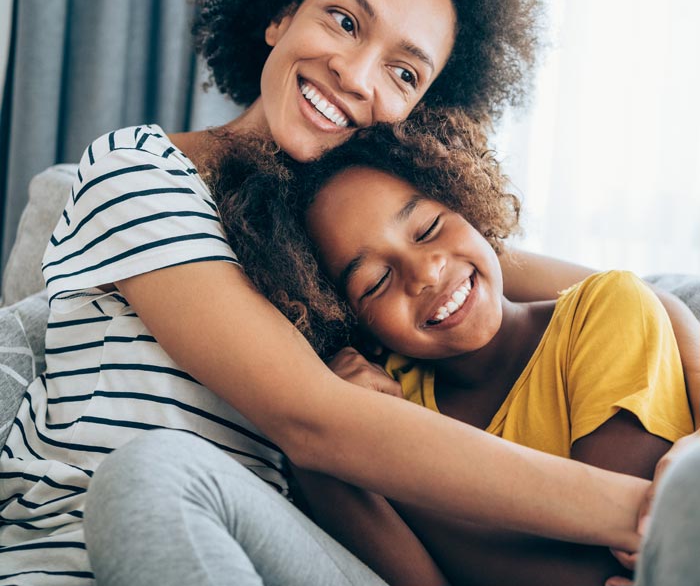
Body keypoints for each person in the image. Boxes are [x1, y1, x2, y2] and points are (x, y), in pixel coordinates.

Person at [1, 0, 697, 584]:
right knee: (154, 472)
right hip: (80, 539)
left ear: (419, 111)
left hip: (282, 549)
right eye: (343, 20)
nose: (355, 74)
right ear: (280, 13)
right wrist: (655, 514)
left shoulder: (350, 233)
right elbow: (313, 421)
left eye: (404, 72)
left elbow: (621, 295)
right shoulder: (140, 170)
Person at [212, 117, 694, 585]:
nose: (424, 274)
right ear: (352, 323)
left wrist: (384, 470)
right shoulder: (380, 404)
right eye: (376, 282)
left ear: (468, 205)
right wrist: (339, 441)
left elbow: (607, 563)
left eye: (427, 230)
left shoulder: (608, 309)